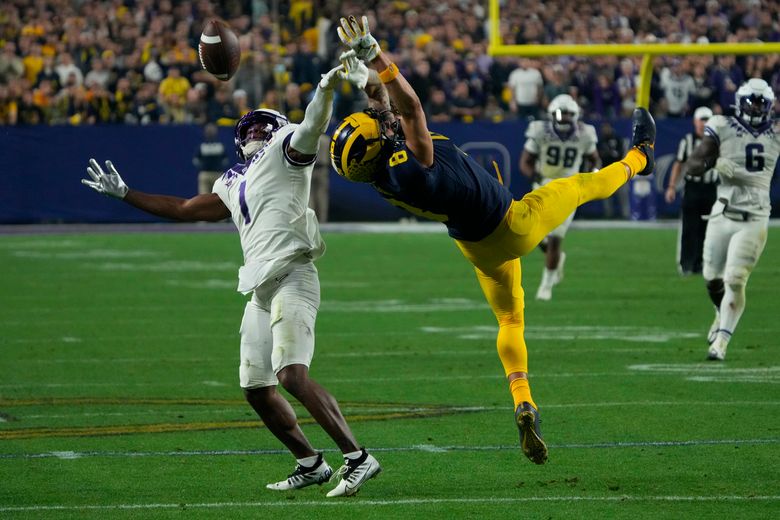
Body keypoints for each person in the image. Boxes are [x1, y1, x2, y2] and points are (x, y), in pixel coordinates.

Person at [333, 15, 656, 466]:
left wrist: (368, 89)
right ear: (382, 144)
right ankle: (641, 157)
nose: (374, 120)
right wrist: (376, 56)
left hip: (477, 248)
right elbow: (408, 107)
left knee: (510, 320)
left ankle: (525, 400)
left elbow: (387, 117)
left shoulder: (382, 178)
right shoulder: (411, 160)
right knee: (582, 185)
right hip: (511, 223)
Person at [81, 55, 381, 497]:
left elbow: (313, 123)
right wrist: (127, 194)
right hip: (260, 289)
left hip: (294, 276)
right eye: (253, 130)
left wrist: (326, 88)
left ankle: (358, 459)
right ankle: (309, 462)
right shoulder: (232, 179)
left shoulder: (287, 153)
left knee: (291, 376)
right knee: (255, 388)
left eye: (265, 127)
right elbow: (185, 209)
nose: (260, 134)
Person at [681, 78, 778, 361]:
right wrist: (713, 162)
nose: (757, 107)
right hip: (723, 213)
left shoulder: (776, 131)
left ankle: (721, 341)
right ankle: (719, 312)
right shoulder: (721, 126)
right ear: (741, 102)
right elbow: (693, 164)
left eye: (762, 102)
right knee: (712, 279)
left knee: (735, 278)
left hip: (755, 216)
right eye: (752, 101)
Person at [519, 94, 600, 301]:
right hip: (543, 185)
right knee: (530, 233)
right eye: (560, 113)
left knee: (555, 239)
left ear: (576, 115)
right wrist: (536, 176)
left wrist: (589, 179)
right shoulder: (540, 130)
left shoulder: (585, 133)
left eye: (568, 114)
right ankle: (555, 259)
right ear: (551, 114)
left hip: (568, 189)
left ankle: (546, 285)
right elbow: (525, 162)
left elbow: (594, 160)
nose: (563, 118)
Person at [664, 106, 719, 275]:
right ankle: (686, 264)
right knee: (689, 228)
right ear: (695, 122)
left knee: (706, 229)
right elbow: (678, 164)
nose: (704, 123)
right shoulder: (687, 141)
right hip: (692, 188)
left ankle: (699, 263)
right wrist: (672, 186)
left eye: (707, 119)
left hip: (710, 189)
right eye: (701, 120)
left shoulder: (718, 141)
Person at [193, 123, 230, 195]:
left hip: (215, 174)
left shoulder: (218, 146)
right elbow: (226, 160)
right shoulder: (204, 146)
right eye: (208, 131)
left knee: (216, 197)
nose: (210, 132)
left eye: (211, 130)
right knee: (205, 198)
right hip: (208, 174)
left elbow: (196, 160)